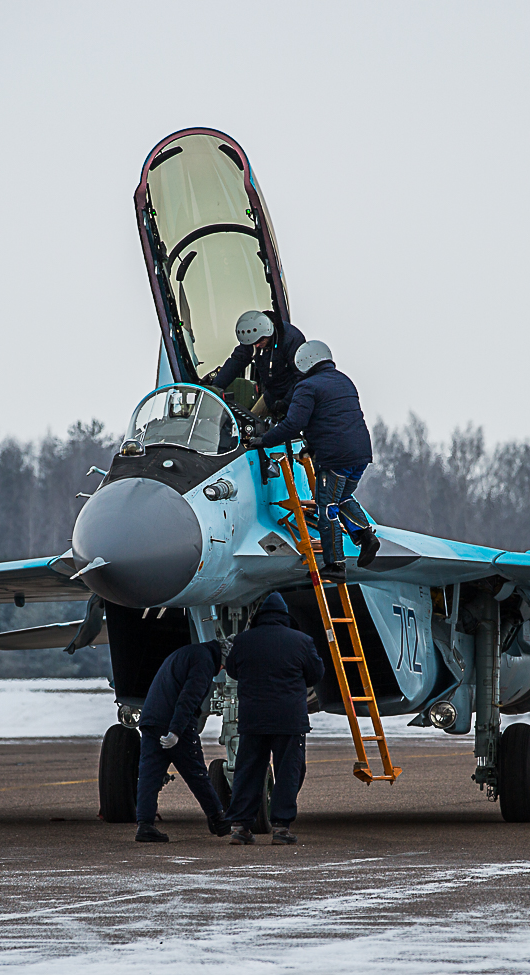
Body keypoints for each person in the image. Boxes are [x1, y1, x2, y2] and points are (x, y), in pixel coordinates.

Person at [250, 340, 381, 582]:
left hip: (334, 458)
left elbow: (293, 424)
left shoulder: (307, 387)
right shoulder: (343, 380)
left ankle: (335, 565)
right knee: (342, 498)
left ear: (304, 362)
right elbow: (333, 419)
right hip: (360, 453)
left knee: (327, 508)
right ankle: (365, 536)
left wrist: (264, 440)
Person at [223, 592, 326, 845]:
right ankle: (281, 828)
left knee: (248, 771)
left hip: (253, 719)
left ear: (260, 617)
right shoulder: (302, 641)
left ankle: (240, 827)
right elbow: (316, 674)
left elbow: (233, 671)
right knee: (289, 771)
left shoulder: (243, 641)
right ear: (284, 616)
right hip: (289, 720)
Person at [134, 639, 233, 843]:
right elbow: (189, 697)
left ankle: (145, 825)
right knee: (196, 772)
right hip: (173, 721)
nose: (221, 669)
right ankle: (219, 820)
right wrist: (176, 731)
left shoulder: (188, 653)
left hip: (152, 719)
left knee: (149, 776)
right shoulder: (204, 661)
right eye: (224, 665)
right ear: (222, 657)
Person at [205, 310, 307, 418]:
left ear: (269, 332)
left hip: (294, 393)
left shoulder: (291, 339)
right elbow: (236, 361)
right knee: (252, 420)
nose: (257, 345)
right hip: (271, 393)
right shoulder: (252, 340)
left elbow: (301, 377)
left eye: (260, 341)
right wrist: (215, 388)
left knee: (287, 427)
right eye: (254, 343)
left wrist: (286, 402)